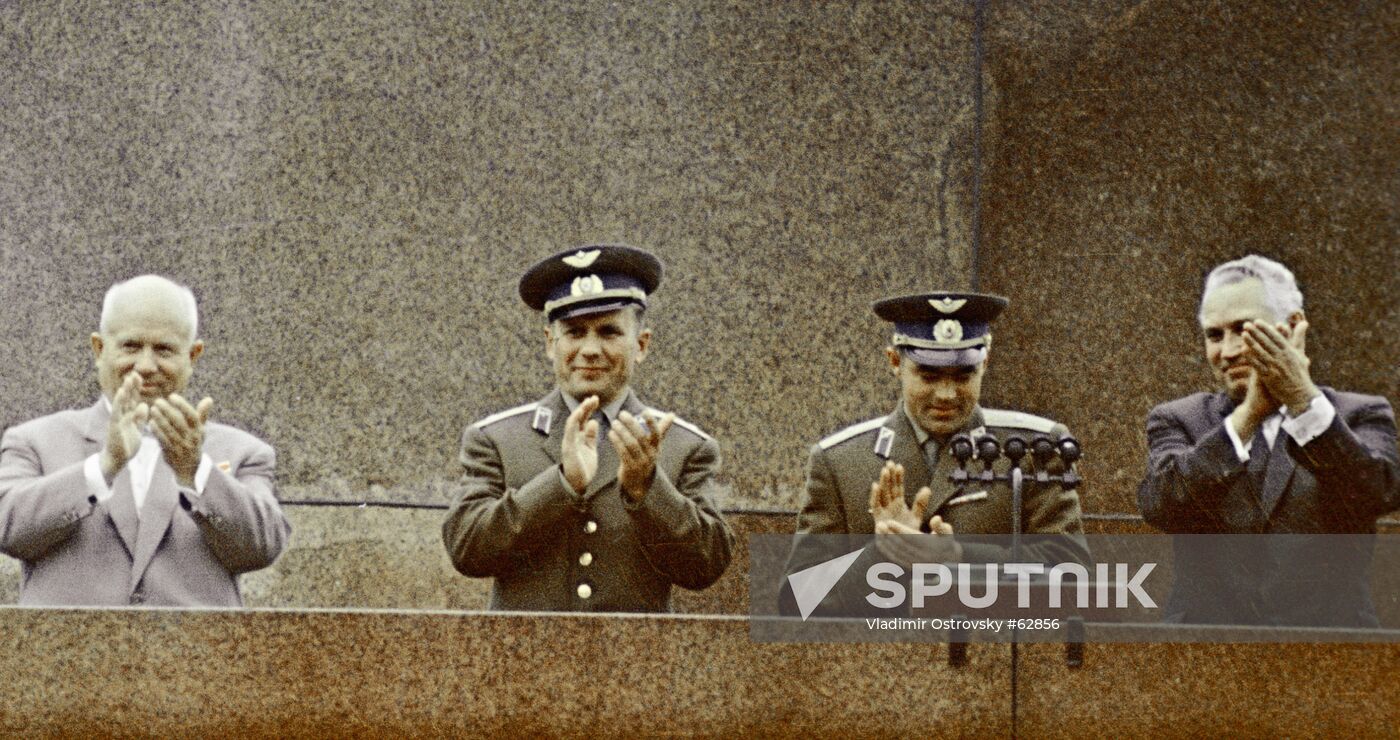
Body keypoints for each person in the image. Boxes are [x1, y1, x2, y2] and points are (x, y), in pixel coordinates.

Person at [442, 244, 734, 612]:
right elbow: (467, 551)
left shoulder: (684, 445)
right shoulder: (497, 439)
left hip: (638, 664)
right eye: (575, 332)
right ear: (551, 343)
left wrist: (647, 488)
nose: (590, 349)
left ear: (641, 345)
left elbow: (706, 567)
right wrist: (560, 484)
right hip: (522, 663)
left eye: (609, 332)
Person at [783, 292, 1090, 617]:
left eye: (963, 376)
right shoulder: (840, 461)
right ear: (895, 362)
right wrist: (884, 554)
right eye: (928, 376)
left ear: (984, 363)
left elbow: (1072, 579)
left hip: (993, 655)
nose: (946, 394)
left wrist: (958, 557)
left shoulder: (1032, 450)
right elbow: (796, 600)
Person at [1138, 255, 1399, 626]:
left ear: (1292, 326)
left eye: (1244, 330)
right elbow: (1161, 505)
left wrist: (1303, 402)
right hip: (1199, 660)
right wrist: (1247, 417)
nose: (1227, 352)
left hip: (1333, 657)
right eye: (1214, 335)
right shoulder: (1179, 419)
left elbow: (1378, 492)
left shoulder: (1359, 414)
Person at [0, 275, 291, 606]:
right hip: (65, 654)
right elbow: (7, 528)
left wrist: (195, 470)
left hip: (197, 655)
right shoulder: (34, 440)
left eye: (164, 349)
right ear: (99, 349)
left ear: (193, 356)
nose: (146, 365)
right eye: (131, 346)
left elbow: (264, 547)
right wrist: (104, 466)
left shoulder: (243, 452)